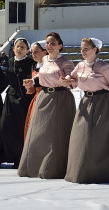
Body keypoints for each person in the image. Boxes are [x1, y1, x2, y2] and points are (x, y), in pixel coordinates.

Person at [18, 32, 76, 179]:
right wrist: (33, 81)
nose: (49, 46)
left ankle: (52, 168)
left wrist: (67, 81)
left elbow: (71, 78)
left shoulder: (66, 62)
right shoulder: (44, 59)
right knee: (38, 133)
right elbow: (42, 75)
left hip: (60, 98)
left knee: (55, 135)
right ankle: (34, 166)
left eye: (53, 43)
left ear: (60, 46)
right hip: (44, 97)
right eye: (47, 43)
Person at [63, 38, 109, 184]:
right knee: (81, 135)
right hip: (86, 102)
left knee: (99, 138)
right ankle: (80, 170)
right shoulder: (79, 65)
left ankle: (100, 172)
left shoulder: (105, 67)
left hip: (104, 103)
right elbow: (72, 78)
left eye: (86, 49)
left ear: (94, 50)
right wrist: (67, 80)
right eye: (81, 49)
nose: (82, 51)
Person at [0, 38, 35, 166]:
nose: (19, 49)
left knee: (22, 129)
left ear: (27, 50)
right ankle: (13, 155)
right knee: (6, 127)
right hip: (11, 98)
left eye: (22, 47)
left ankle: (22, 157)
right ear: (13, 49)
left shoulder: (31, 63)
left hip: (25, 99)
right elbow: (5, 80)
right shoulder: (10, 62)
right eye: (17, 47)